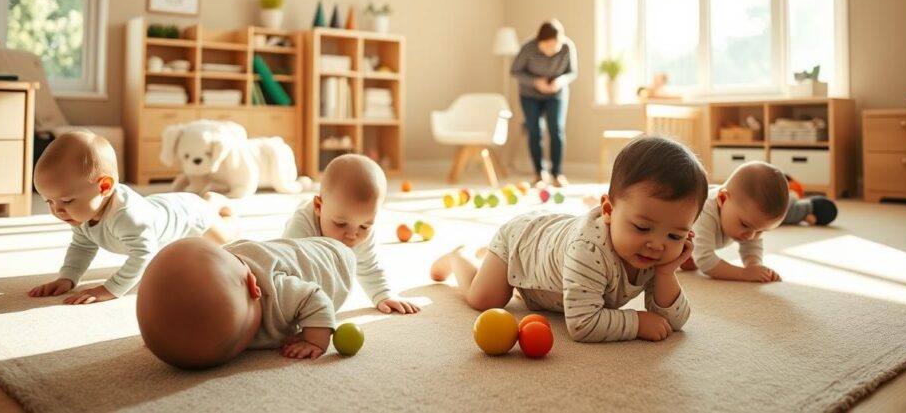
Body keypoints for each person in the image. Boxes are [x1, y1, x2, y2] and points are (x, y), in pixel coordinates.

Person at [430, 137, 706, 343]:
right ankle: (459, 256)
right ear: (609, 211)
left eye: (675, 235)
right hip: (522, 242)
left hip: (553, 262)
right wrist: (636, 322)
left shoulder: (656, 254)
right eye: (642, 227)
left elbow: (674, 322)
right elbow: (583, 324)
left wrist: (666, 273)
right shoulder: (589, 249)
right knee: (484, 299)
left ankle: (487, 258)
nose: (657, 245)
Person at [28, 131, 238, 304]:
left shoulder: (128, 217)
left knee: (227, 239)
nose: (57, 210)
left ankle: (214, 201)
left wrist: (110, 288)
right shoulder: (80, 213)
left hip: (190, 216)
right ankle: (207, 200)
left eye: (66, 200)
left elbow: (144, 255)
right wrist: (68, 277)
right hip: (160, 207)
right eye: (49, 201)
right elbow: (82, 246)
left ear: (104, 187)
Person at [137, 236, 355, 368]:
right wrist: (166, 336)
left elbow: (316, 298)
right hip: (275, 252)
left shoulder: (279, 290)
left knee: (292, 254)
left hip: (333, 259)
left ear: (254, 286)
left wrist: (315, 340)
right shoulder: (218, 307)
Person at [281, 154, 420, 315]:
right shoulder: (301, 228)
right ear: (319, 207)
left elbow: (369, 267)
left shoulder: (360, 234)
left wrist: (383, 295)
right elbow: (283, 266)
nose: (352, 235)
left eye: (365, 225)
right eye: (341, 224)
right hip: (301, 263)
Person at [682, 161, 791, 282]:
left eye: (760, 231)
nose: (751, 236)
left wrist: (754, 266)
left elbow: (752, 245)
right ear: (722, 199)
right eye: (745, 225)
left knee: (688, 259)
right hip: (666, 226)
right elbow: (705, 261)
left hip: (688, 239)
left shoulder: (744, 217)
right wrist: (743, 273)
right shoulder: (703, 211)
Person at [510, 19, 577, 187]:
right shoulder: (528, 48)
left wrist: (560, 81)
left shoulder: (568, 47)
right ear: (539, 41)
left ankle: (557, 173)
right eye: (546, 45)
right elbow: (515, 71)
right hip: (529, 95)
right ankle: (539, 174)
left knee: (557, 129)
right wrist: (535, 82)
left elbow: (572, 72)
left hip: (556, 94)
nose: (551, 50)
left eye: (554, 45)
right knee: (535, 131)